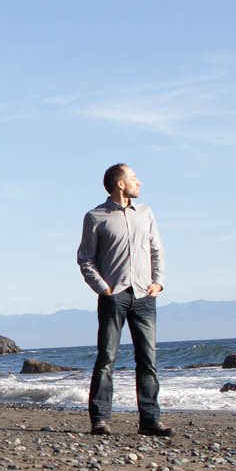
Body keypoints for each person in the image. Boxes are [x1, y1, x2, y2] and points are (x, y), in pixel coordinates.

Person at [77, 163, 170, 437]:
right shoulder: (96, 216)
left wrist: (159, 282)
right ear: (120, 184)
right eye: (133, 178)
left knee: (148, 360)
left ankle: (150, 421)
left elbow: (156, 249)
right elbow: (85, 259)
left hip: (145, 294)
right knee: (107, 358)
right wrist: (103, 288)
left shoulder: (146, 213)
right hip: (113, 296)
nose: (138, 182)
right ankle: (100, 420)